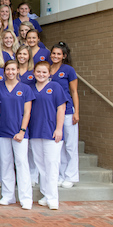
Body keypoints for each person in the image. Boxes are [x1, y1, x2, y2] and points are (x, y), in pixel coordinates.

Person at [0, 60, 34, 209]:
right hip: (2, 131)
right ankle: (8, 195)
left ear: (18, 70)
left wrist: (22, 131)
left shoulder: (25, 89)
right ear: (4, 71)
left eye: (13, 69)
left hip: (19, 132)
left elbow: (27, 112)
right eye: (7, 69)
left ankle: (25, 198)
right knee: (5, 164)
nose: (10, 72)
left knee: (22, 164)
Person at [29, 61, 67, 210]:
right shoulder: (30, 88)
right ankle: (46, 194)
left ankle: (53, 198)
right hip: (36, 131)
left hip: (51, 131)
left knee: (52, 165)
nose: (41, 74)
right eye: (38, 72)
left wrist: (59, 129)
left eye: (44, 72)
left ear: (49, 73)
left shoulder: (55, 87)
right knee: (41, 165)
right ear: (34, 73)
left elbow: (61, 108)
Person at [49, 42, 79, 189]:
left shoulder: (69, 70)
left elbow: (74, 92)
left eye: (58, 54)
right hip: (52, 113)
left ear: (64, 56)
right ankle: (60, 175)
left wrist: (76, 112)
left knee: (71, 146)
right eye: (53, 53)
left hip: (67, 112)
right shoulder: (47, 69)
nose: (55, 56)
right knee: (58, 145)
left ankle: (71, 176)